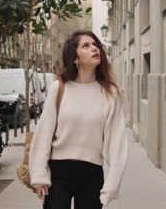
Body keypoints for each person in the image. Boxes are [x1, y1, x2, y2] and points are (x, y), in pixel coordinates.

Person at [29, 30, 129, 209]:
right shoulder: (58, 89)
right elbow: (43, 134)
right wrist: (39, 176)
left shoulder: (109, 93)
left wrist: (111, 186)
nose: (94, 48)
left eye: (95, 44)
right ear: (75, 58)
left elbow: (117, 142)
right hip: (58, 173)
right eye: (86, 46)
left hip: (92, 174)